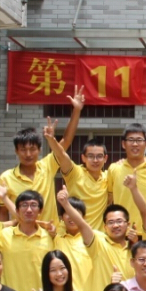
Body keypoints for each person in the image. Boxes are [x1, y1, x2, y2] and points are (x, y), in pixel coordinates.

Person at [60, 186, 133, 291]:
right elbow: (82, 224)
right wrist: (66, 204)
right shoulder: (99, 242)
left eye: (119, 221)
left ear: (127, 224)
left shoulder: (136, 250)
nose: (115, 225)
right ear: (104, 227)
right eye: (111, 222)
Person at [49, 87, 110, 232]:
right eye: (91, 156)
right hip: (72, 235)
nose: (95, 160)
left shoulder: (109, 177)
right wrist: (76, 110)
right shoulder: (75, 173)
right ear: (83, 158)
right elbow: (61, 154)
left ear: (105, 159)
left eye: (99, 156)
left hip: (97, 238)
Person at [107, 123, 146, 237]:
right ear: (123, 144)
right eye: (131, 140)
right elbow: (109, 199)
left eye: (139, 140)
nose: (135, 144)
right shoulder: (114, 169)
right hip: (122, 234)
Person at [0, 190, 55, 291]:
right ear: (17, 210)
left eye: (33, 205)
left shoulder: (49, 238)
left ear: (40, 210)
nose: (29, 210)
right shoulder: (3, 235)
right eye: (24, 205)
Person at [0, 122, 61, 225]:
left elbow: (66, 142)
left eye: (32, 149)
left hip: (50, 232)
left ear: (39, 150)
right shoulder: (6, 177)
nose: (28, 154)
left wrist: (76, 112)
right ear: (16, 151)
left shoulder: (48, 166)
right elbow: (3, 212)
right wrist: (2, 233)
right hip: (21, 233)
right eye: (23, 150)